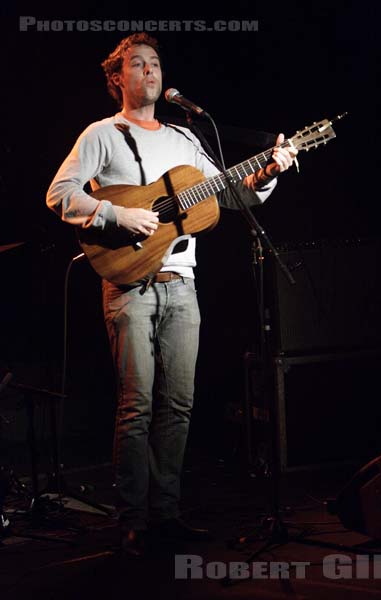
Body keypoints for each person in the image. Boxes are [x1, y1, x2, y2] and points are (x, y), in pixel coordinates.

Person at [46, 32, 297, 557]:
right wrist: (118, 213)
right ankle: (131, 519)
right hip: (129, 284)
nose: (151, 72)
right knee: (136, 406)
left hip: (183, 285)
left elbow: (227, 193)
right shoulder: (102, 134)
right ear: (117, 78)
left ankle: (167, 512)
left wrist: (269, 170)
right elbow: (60, 193)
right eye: (137, 64)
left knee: (178, 405)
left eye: (155, 64)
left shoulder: (186, 138)